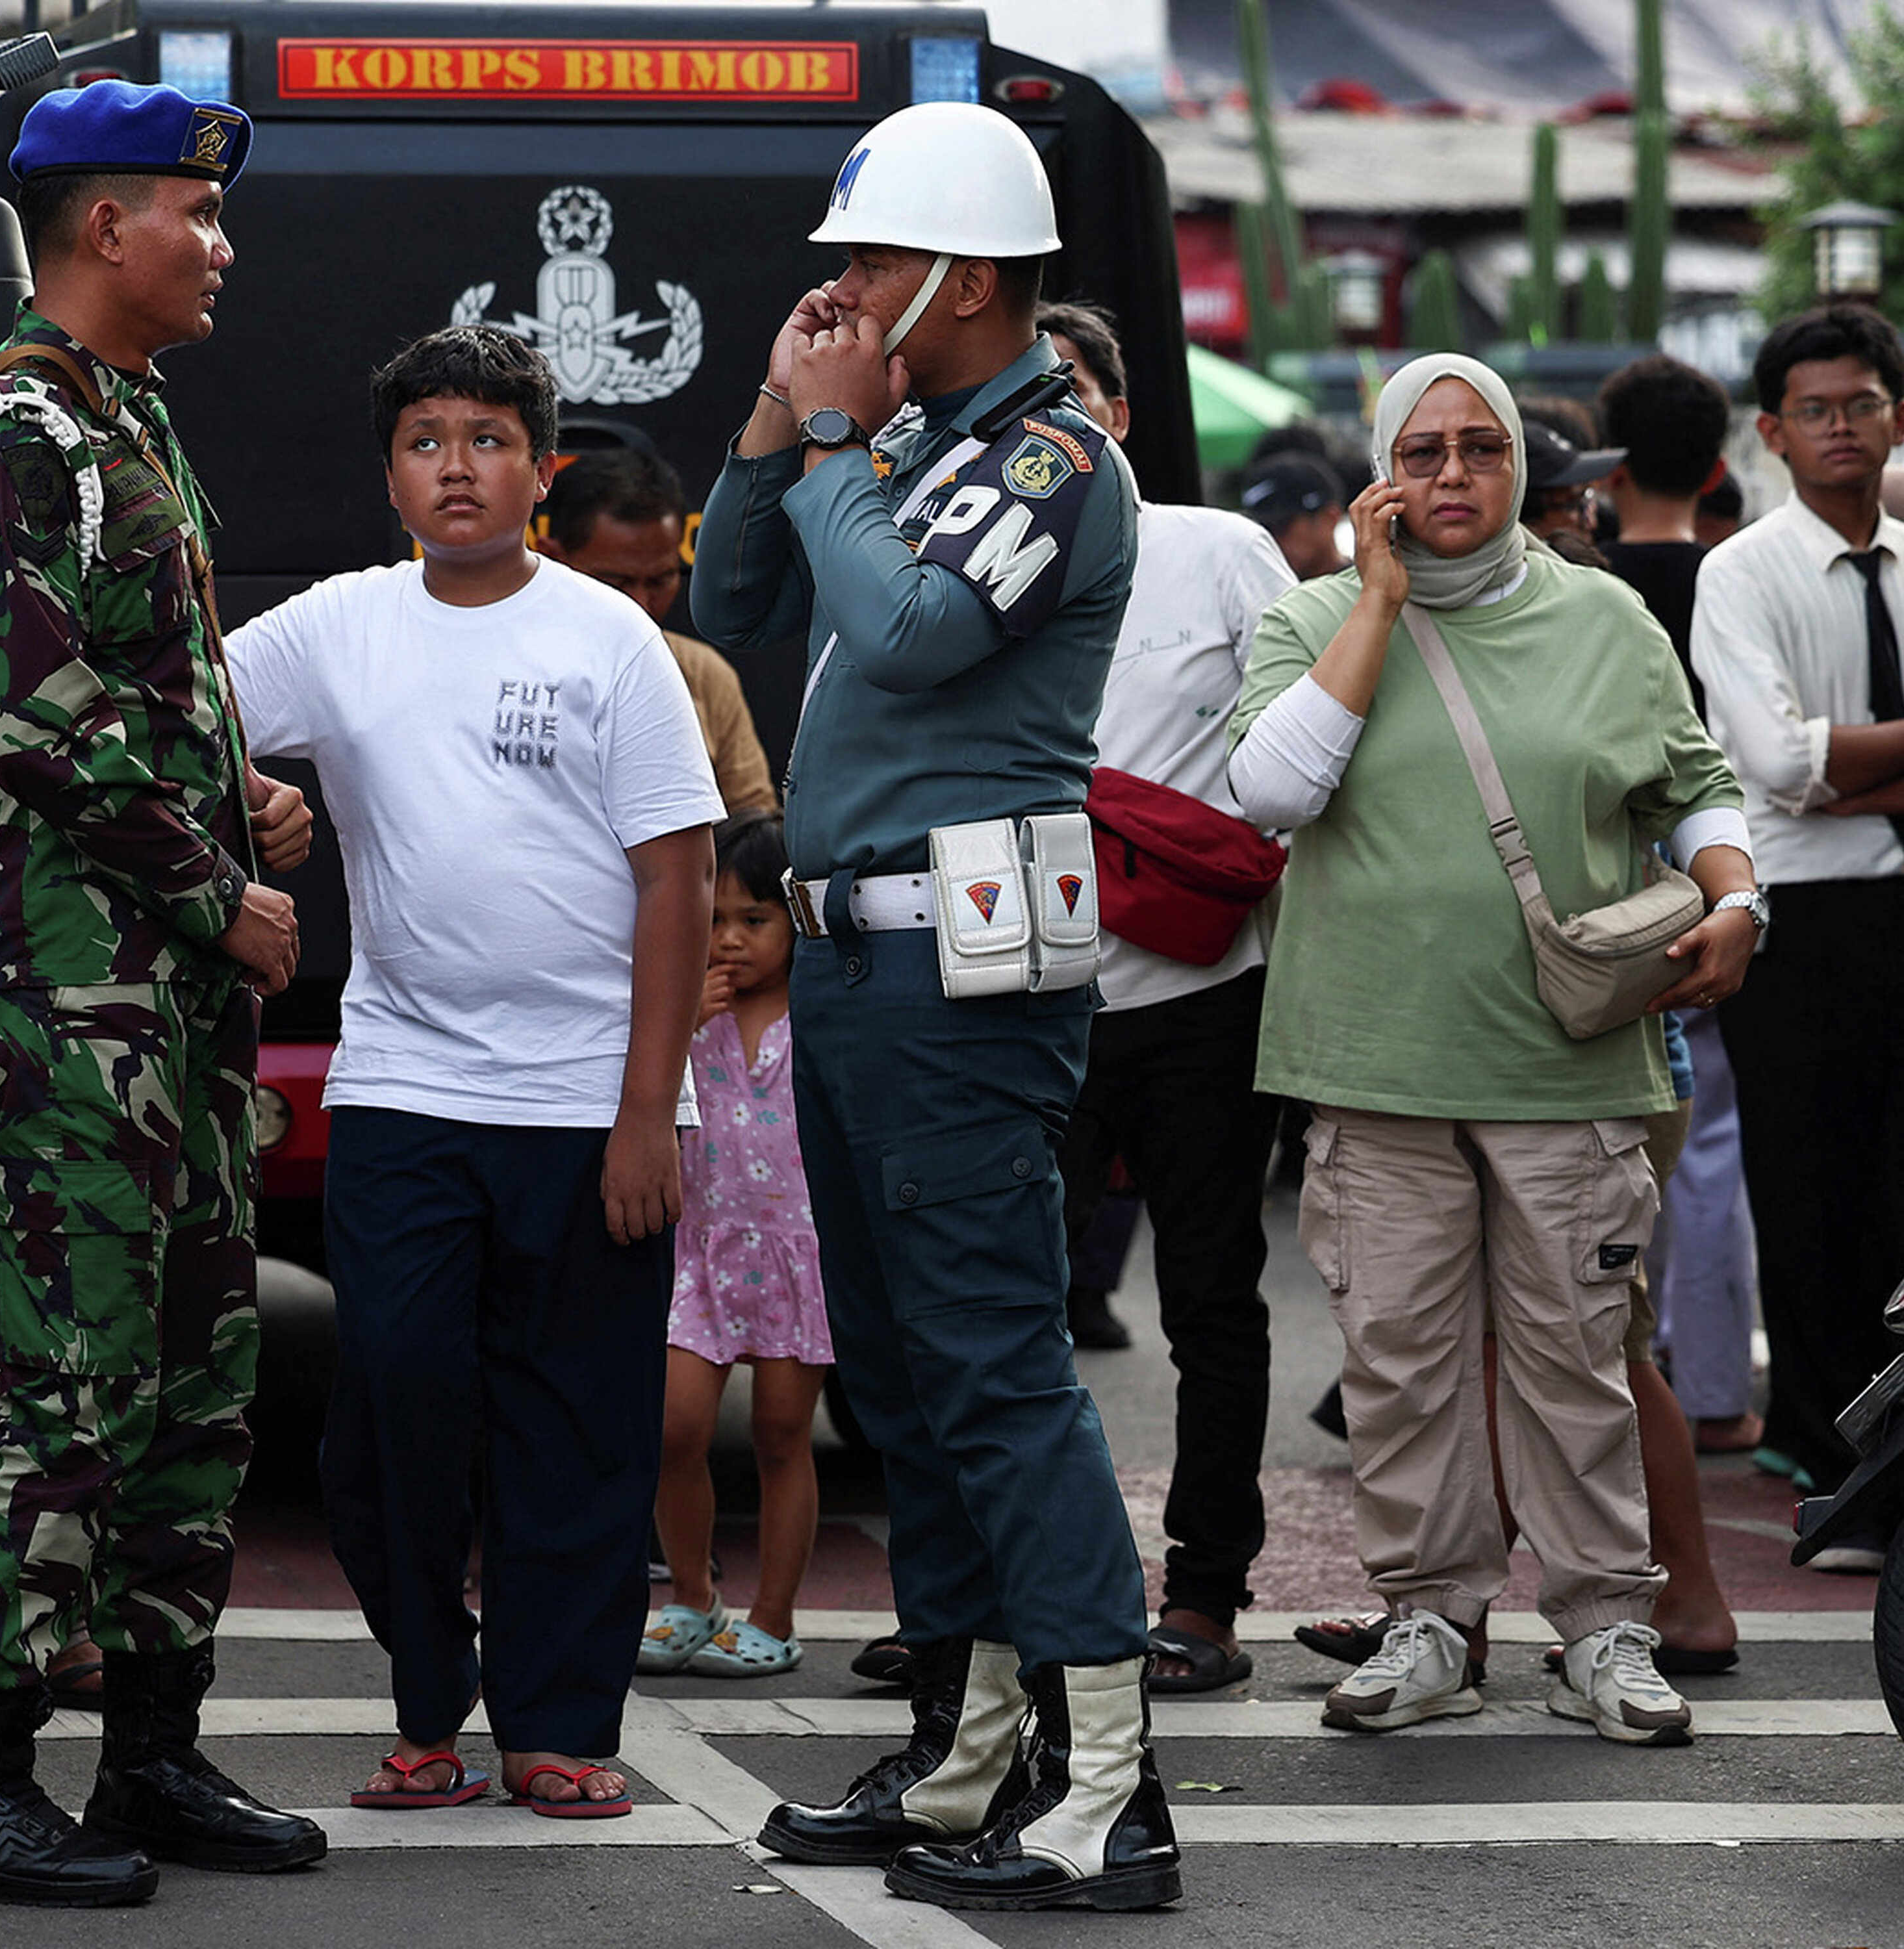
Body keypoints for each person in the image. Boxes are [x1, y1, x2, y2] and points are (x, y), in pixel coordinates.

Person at [692, 101, 1179, 1911]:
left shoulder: (1058, 456)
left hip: (963, 957)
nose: (843, 290)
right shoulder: (902, 441)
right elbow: (737, 603)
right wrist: (776, 432)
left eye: (875, 262)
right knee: (898, 1371)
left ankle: (1112, 1784)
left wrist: (830, 445)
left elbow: (905, 636)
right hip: (861, 952)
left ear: (966, 276)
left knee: (991, 1363)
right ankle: (973, 1755)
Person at [1226, 351, 1760, 1746]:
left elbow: (1697, 783)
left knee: (1574, 1360)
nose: (1452, 475)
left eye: (1480, 448)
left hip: (1567, 1066)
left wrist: (1740, 893)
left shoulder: (1610, 623)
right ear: (1381, 473)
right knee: (1399, 1362)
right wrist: (1382, 603)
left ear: (1524, 463)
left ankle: (1604, 1631)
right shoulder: (1313, 618)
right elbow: (1274, 788)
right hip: (1372, 1062)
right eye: (1422, 451)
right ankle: (1432, 1623)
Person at [225, 327, 720, 1813]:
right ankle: (431, 1689)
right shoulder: (340, 626)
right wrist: (251, 795)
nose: (459, 464)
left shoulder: (605, 637)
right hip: (402, 1083)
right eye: (429, 439)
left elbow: (680, 878)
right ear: (390, 473)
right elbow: (170, 718)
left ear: (539, 470)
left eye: (490, 439)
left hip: (587, 1103)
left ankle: (560, 1720)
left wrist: (649, 1112)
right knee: (391, 1392)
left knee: (577, 1415)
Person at [0, 79, 326, 1910]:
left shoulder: (135, 418)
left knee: (200, 1373)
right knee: (77, 1373)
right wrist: (224, 884)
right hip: (69, 980)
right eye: (198, 208)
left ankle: (155, 1756)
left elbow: (155, 687)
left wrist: (245, 787)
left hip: (169, 988)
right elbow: (35, 718)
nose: (222, 243)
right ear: (106, 227)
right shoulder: (10, 431)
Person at [1037, 299, 1295, 1697]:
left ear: (1122, 413)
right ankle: (1011, 1589)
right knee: (1006, 1313)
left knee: (1215, 1300)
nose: (1048, 416)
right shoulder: (972, 559)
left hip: (1207, 994)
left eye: (1069, 388)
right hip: (1023, 992)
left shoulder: (1219, 551)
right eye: (1020, 395)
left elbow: (1309, 737)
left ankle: (1205, 1595)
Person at [1690, 303, 1904, 1565]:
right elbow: (1774, 762)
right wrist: (1819, 774)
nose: (1842, 428)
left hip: (1895, 902)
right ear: (1771, 431)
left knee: (1896, 1200)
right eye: (1816, 409)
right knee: (1809, 1192)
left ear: (1894, 415)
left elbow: (1817, 768)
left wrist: (1839, 773)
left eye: (1863, 403)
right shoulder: (1743, 571)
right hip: (1801, 921)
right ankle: (1839, 1470)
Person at [1597, 353, 1760, 1457]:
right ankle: (1712, 1392)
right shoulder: (1736, 579)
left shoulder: (1587, 589)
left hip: (1607, 895)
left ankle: (1625, 1372)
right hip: (1729, 869)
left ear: (1608, 465)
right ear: (1718, 464)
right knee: (1714, 1146)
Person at [637, 811, 830, 1679]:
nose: (730, 941)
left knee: (784, 1435)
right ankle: (689, 1596)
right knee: (674, 1429)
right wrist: (681, 1021)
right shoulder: (685, 1011)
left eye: (755, 922)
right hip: (703, 1252)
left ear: (797, 920)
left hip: (797, 1256)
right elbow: (642, 1093)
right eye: (714, 920)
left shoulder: (820, 1019)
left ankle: (774, 1617)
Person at [539, 448, 777, 813]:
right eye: (615, 583)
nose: (641, 604)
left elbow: (752, 827)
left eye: (660, 580)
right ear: (553, 558)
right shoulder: (505, 664)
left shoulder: (704, 675)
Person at [1240, 452, 1349, 580]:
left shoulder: (1368, 589)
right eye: (1261, 529)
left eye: (1281, 527)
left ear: (1329, 518)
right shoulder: (1255, 593)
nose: (1270, 540)